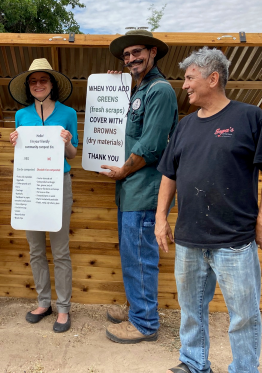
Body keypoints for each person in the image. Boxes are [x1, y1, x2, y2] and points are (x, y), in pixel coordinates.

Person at [155, 47, 262, 373]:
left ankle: (243, 369)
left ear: (213, 79)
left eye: (189, 78)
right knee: (191, 309)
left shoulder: (250, 117)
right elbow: (169, 175)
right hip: (189, 238)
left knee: (243, 315)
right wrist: (160, 220)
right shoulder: (184, 126)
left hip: (235, 241)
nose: (184, 85)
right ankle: (194, 364)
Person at [100, 29, 178, 343]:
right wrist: (114, 86)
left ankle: (144, 322)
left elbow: (152, 145)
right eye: (126, 55)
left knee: (141, 256)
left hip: (145, 188)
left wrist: (122, 171)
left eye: (137, 52)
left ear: (153, 52)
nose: (131, 58)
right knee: (132, 254)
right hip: (131, 188)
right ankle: (136, 307)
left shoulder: (160, 90)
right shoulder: (140, 88)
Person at [8, 58, 78, 333]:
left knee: (60, 250)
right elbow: (23, 155)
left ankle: (63, 308)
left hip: (58, 183)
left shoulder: (68, 113)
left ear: (52, 84)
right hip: (29, 183)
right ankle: (43, 302)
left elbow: (72, 155)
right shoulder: (21, 115)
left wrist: (68, 142)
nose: (38, 85)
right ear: (29, 86)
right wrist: (16, 143)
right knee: (36, 248)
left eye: (43, 80)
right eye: (33, 81)